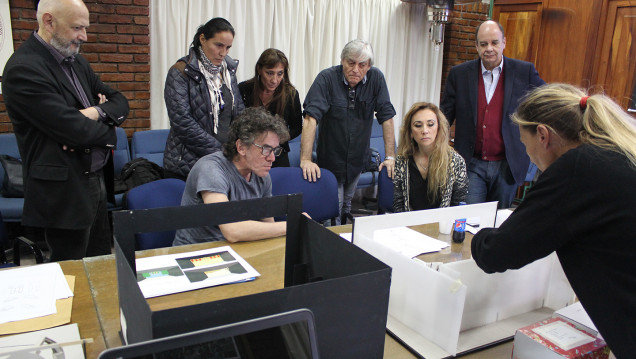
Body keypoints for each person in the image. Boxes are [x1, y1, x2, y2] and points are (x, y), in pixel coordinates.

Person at [471, 83, 636, 358]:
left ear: (544, 136)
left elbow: (497, 253)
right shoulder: (618, 152)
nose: (529, 155)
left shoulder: (577, 169)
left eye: (525, 145)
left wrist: (478, 238)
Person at [2, 0, 129, 261]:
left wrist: (94, 113)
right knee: (70, 273)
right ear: (49, 22)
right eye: (77, 27)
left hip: (95, 178)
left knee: (100, 260)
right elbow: (74, 130)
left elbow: (120, 102)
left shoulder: (76, 62)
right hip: (64, 189)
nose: (84, 36)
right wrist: (108, 129)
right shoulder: (23, 69)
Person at [440, 20, 545, 209]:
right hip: (471, 163)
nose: (489, 48)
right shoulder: (459, 74)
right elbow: (444, 117)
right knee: (470, 219)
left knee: (498, 221)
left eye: (494, 43)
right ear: (476, 46)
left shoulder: (524, 71)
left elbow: (547, 100)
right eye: (483, 44)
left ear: (504, 42)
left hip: (508, 164)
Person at [300, 39, 396, 224]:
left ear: (369, 66)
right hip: (331, 159)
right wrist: (305, 159)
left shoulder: (376, 79)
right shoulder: (327, 78)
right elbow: (311, 118)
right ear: (342, 60)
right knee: (333, 208)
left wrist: (390, 156)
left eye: (362, 65)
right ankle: (332, 242)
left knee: (347, 206)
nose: (355, 69)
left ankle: (345, 237)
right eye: (351, 63)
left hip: (358, 159)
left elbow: (387, 117)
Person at [173, 107, 290, 245]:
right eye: (265, 149)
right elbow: (232, 230)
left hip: (237, 249)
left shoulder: (262, 175)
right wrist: (290, 225)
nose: (272, 158)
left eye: (275, 150)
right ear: (241, 147)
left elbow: (270, 227)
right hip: (196, 253)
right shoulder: (211, 169)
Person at [163, 17, 245, 180]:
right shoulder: (180, 72)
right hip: (186, 165)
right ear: (202, 39)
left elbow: (239, 113)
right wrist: (222, 152)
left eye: (228, 47)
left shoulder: (228, 73)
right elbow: (182, 122)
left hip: (222, 163)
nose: (223, 53)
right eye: (218, 45)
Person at [392, 102, 468, 212]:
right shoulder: (402, 160)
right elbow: (398, 205)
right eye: (418, 125)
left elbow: (458, 207)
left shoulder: (456, 161)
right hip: (410, 225)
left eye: (430, 124)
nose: (425, 131)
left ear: (438, 128)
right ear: (410, 132)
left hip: (443, 226)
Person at [239, 48, 302, 167]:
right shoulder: (244, 90)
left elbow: (297, 127)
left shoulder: (291, 94)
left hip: (277, 154)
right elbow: (236, 123)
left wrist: (277, 139)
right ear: (259, 70)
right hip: (250, 152)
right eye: (269, 73)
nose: (274, 80)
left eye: (280, 74)